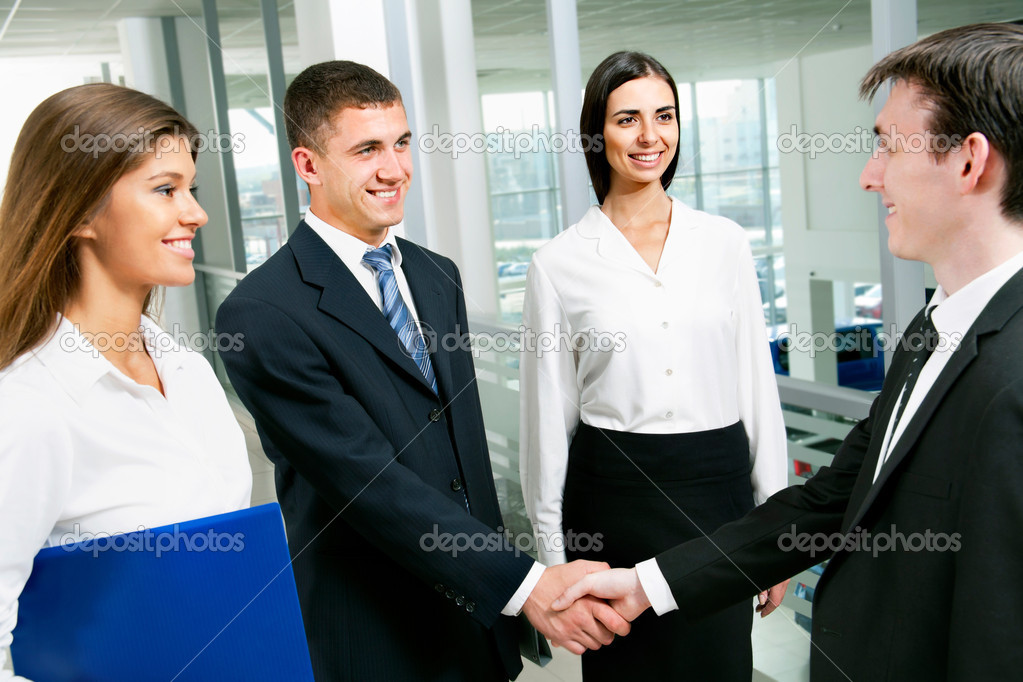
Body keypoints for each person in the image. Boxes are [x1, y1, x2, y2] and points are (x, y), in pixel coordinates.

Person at [552, 22, 1023, 681]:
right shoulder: (931, 329)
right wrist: (648, 586)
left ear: (969, 162)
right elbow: (830, 497)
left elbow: (1000, 631)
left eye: (885, 146)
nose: (868, 176)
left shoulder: (1013, 374)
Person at [214, 60, 629, 681]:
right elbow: (369, 483)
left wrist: (503, 595)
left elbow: (462, 457)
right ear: (308, 166)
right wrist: (525, 585)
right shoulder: (261, 312)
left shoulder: (436, 274)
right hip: (379, 635)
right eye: (367, 150)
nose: (394, 169)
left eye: (402, 143)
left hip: (476, 625)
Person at [518, 51, 789, 680]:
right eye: (627, 119)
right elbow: (546, 425)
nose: (650, 137)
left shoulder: (725, 243)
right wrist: (557, 562)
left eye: (663, 117)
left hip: (717, 499)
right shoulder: (558, 264)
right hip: (614, 503)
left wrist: (777, 537)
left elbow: (757, 387)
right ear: (597, 133)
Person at [0, 84, 253, 680]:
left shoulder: (189, 373)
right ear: (82, 211)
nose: (195, 213)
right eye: (165, 190)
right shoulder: (30, 407)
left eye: (191, 189)